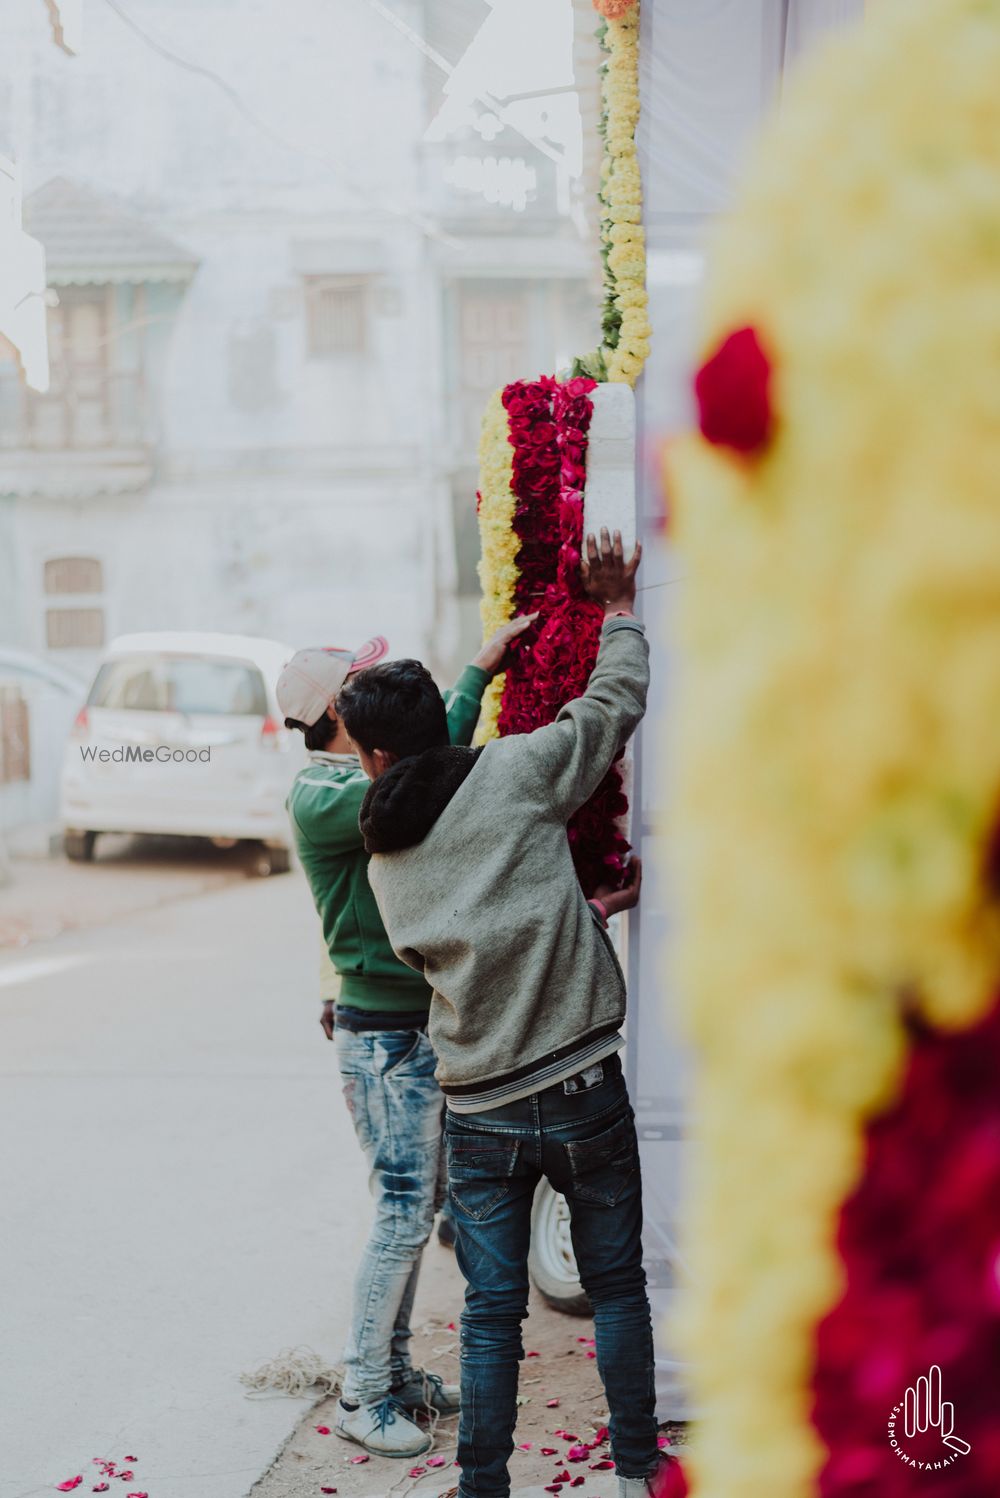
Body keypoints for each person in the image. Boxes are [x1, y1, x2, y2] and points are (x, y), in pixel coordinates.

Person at [336, 531, 672, 1498]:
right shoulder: (517, 773)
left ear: (377, 755)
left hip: (479, 1112)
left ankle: (483, 1483)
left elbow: (473, 941)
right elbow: (610, 708)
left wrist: (587, 910)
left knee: (490, 1316)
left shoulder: (388, 863)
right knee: (616, 1290)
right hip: (579, 1089)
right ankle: (638, 1477)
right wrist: (617, 610)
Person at [277, 618, 533, 1460]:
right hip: (382, 1038)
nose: (363, 691)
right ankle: (361, 1392)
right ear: (336, 715)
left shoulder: (362, 776)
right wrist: (471, 680)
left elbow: (425, 760)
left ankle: (391, 1374)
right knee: (399, 1214)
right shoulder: (326, 798)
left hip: (409, 1027)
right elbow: (429, 773)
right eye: (355, 685)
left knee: (414, 1211)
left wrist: (480, 672)